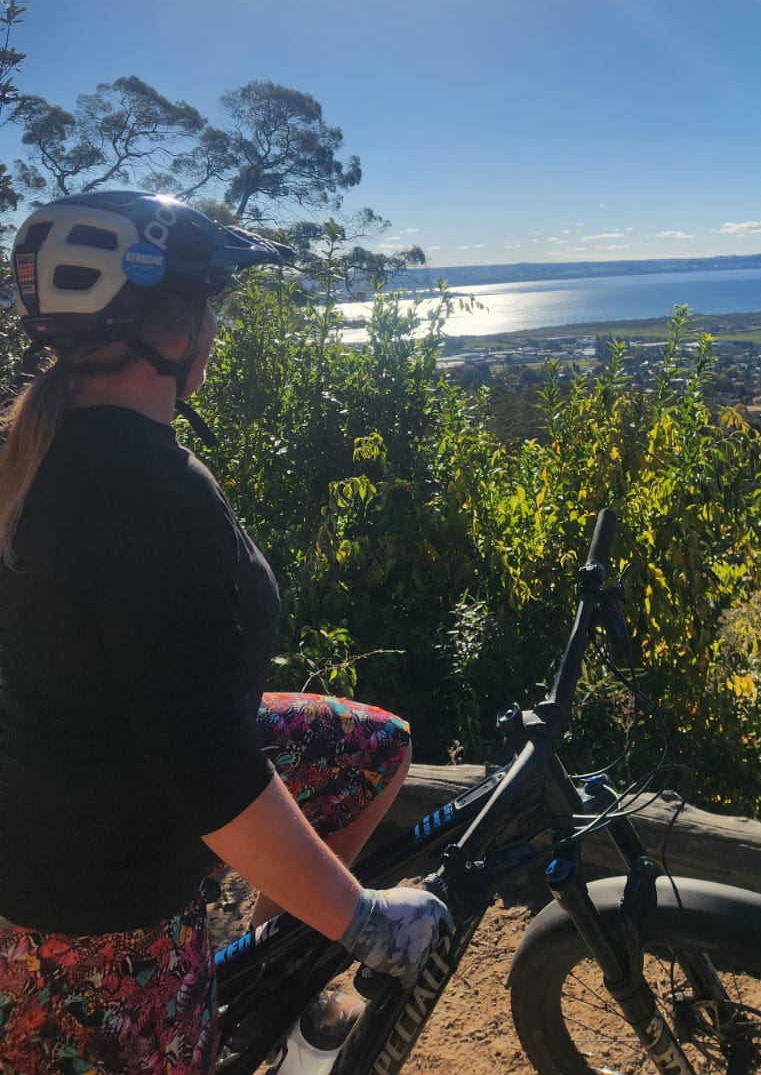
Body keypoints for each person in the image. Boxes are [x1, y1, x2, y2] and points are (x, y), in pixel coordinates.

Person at [0, 191, 451, 1072]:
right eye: (212, 307)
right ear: (176, 336)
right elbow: (209, 779)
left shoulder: (29, 453)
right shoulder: (159, 502)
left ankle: (281, 980)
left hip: (74, 801)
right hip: (99, 912)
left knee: (370, 749)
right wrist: (363, 921)